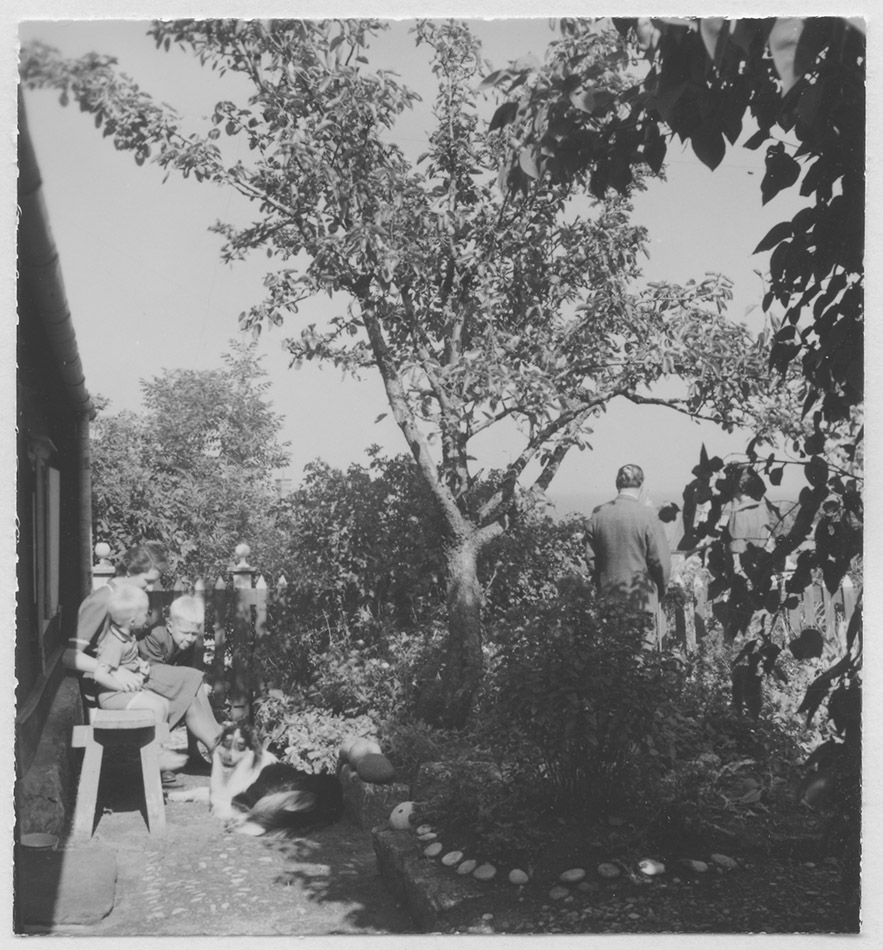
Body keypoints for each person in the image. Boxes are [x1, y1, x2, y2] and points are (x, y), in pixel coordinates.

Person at [66, 542, 220, 777]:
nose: (150, 588)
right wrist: (114, 671)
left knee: (191, 681)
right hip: (112, 683)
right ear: (129, 572)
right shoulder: (102, 600)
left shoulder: (125, 597)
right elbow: (69, 656)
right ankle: (219, 751)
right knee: (190, 677)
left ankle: (216, 747)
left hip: (130, 674)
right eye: (147, 581)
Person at [584, 464, 672, 648]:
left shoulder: (598, 514)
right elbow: (661, 563)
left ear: (617, 483)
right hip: (642, 600)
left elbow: (592, 561)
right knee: (641, 656)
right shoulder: (648, 516)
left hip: (609, 599)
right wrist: (660, 591)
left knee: (612, 656)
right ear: (642, 485)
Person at [138, 595, 222, 764]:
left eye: (194, 634)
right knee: (192, 679)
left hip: (164, 683)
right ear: (170, 626)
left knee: (192, 689)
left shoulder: (185, 643)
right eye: (185, 633)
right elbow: (151, 672)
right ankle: (216, 745)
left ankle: (203, 748)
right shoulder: (155, 636)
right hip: (144, 684)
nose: (190, 639)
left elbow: (184, 675)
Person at [92, 584, 169, 724]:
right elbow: (99, 674)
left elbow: (125, 659)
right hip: (112, 695)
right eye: (145, 613)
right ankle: (154, 738)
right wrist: (123, 687)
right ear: (132, 621)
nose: (148, 616)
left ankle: (157, 737)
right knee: (158, 707)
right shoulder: (114, 643)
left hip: (123, 692)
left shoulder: (128, 636)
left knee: (165, 704)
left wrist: (140, 663)